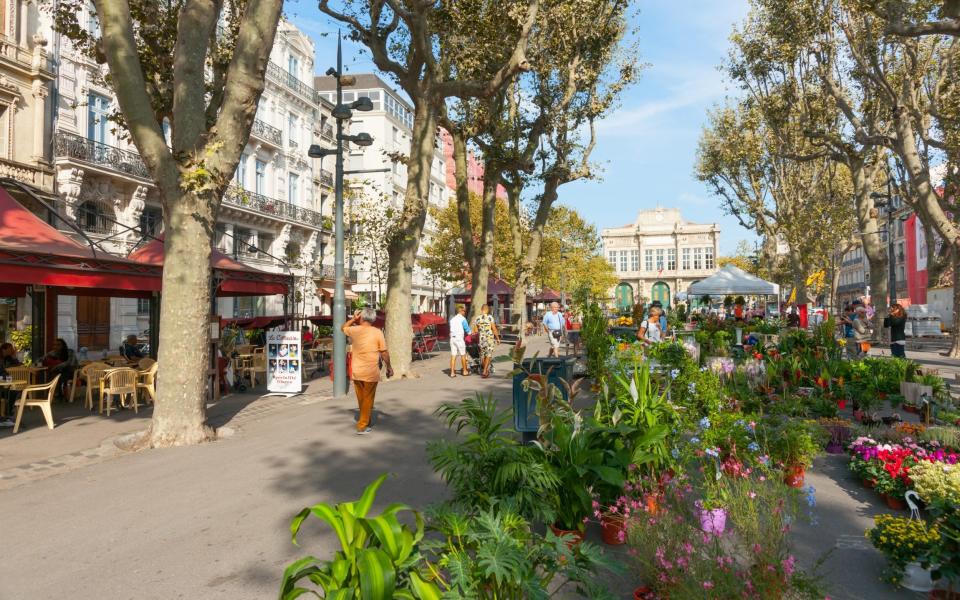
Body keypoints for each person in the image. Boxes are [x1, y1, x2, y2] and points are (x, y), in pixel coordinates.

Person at [342, 308, 392, 435]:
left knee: (362, 399)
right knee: (368, 399)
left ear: (361, 318)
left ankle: (366, 419)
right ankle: (362, 426)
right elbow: (384, 352)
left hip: (357, 371)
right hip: (371, 371)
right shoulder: (377, 332)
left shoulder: (354, 330)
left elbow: (343, 328)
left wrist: (353, 319)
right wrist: (389, 367)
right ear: (373, 319)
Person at [473, 305, 500, 378]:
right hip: (489, 338)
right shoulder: (490, 317)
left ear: (481, 309)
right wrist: (497, 338)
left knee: (483, 354)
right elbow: (494, 329)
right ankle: (485, 371)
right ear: (487, 310)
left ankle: (485, 370)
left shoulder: (477, 318)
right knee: (488, 354)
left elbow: (475, 331)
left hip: (481, 338)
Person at [0, 342, 22, 427]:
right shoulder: (2, 359)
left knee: (14, 391)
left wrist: (14, 356)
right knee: (9, 392)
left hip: (3, 383)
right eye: (10, 349)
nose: (12, 350)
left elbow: (4, 372)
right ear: (4, 349)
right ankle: (6, 417)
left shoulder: (7, 358)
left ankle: (6, 416)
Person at [449, 304, 471, 377]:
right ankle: (465, 371)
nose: (465, 312)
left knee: (453, 355)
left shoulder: (452, 319)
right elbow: (467, 329)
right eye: (464, 311)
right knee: (463, 354)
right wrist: (471, 333)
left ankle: (452, 373)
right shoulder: (462, 319)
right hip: (459, 338)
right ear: (461, 311)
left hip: (452, 338)